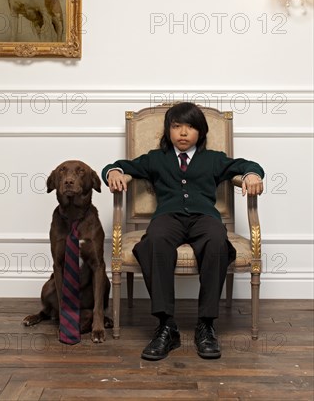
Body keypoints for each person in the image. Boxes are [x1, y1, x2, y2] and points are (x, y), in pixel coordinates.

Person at [102, 102, 264, 361]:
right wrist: (113, 172)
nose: (183, 133)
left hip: (204, 218)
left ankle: (206, 325)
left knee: (216, 242)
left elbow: (246, 164)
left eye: (190, 127)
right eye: (177, 127)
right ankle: (166, 325)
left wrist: (252, 175)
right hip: (168, 217)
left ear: (201, 131)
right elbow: (121, 165)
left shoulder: (213, 159)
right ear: (168, 131)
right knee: (155, 240)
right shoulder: (156, 158)